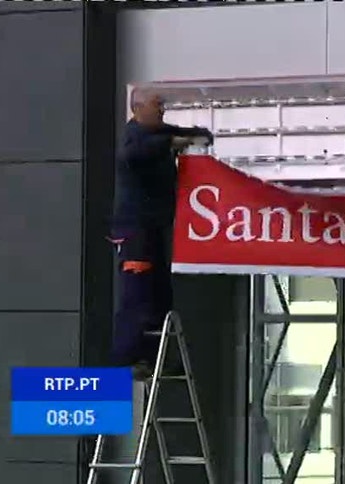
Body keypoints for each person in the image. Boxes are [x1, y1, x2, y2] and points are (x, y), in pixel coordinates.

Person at [110, 88, 214, 380]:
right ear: (137, 108)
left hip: (157, 229)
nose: (162, 110)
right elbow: (136, 154)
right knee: (136, 294)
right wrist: (173, 143)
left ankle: (157, 358)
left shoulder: (159, 133)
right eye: (157, 105)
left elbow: (180, 133)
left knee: (159, 296)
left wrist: (196, 135)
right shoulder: (134, 138)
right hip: (136, 233)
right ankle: (127, 359)